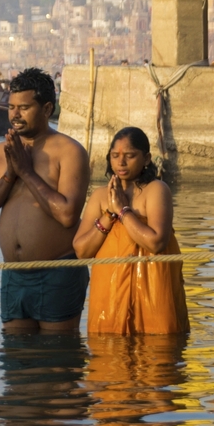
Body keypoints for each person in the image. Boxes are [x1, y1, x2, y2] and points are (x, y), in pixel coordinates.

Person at [0, 68, 89, 334]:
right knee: (15, 354)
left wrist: (26, 173)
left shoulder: (69, 152)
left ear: (47, 109)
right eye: (11, 107)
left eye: (24, 108)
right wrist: (9, 176)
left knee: (56, 353)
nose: (15, 114)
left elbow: (67, 215)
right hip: (14, 274)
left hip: (57, 271)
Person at [73, 127, 188, 334]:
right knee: (107, 348)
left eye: (130, 156)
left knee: (157, 348)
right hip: (109, 294)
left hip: (153, 290)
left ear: (146, 159)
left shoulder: (156, 190)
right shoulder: (100, 196)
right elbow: (81, 251)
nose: (121, 162)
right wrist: (109, 214)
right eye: (115, 156)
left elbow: (156, 243)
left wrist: (123, 211)